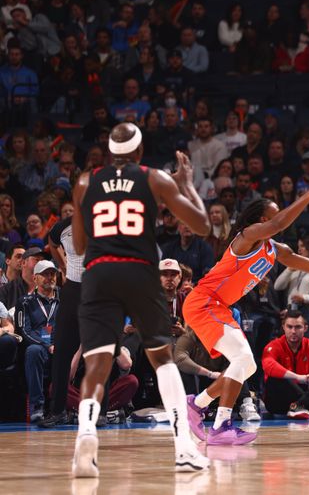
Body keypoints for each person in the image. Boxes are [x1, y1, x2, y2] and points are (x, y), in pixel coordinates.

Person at [184, 174, 309, 443]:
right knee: (242, 360)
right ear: (260, 221)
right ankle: (216, 421)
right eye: (271, 217)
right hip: (203, 301)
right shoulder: (246, 237)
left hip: (219, 306)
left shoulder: (277, 250)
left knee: (247, 365)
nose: (276, 223)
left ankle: (200, 406)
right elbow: (279, 222)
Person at [70, 123, 211, 477]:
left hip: (99, 272)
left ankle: (86, 432)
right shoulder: (155, 178)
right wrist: (187, 184)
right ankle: (183, 448)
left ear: (110, 151)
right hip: (138, 270)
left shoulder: (86, 182)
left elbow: (80, 245)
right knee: (163, 358)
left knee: (98, 360)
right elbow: (204, 226)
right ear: (139, 151)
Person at [37, 215, 85, 428]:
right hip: (73, 288)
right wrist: (64, 266)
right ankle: (57, 411)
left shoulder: (107, 217)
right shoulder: (63, 226)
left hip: (100, 289)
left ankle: (100, 412)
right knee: (63, 351)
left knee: (100, 352)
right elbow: (52, 242)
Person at [19, 259, 59, 422]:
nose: (50, 277)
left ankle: (67, 406)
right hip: (40, 346)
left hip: (61, 345)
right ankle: (37, 405)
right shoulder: (25, 302)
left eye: (52, 274)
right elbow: (24, 331)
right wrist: (47, 345)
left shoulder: (65, 298)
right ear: (35, 278)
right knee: (32, 351)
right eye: (45, 274)